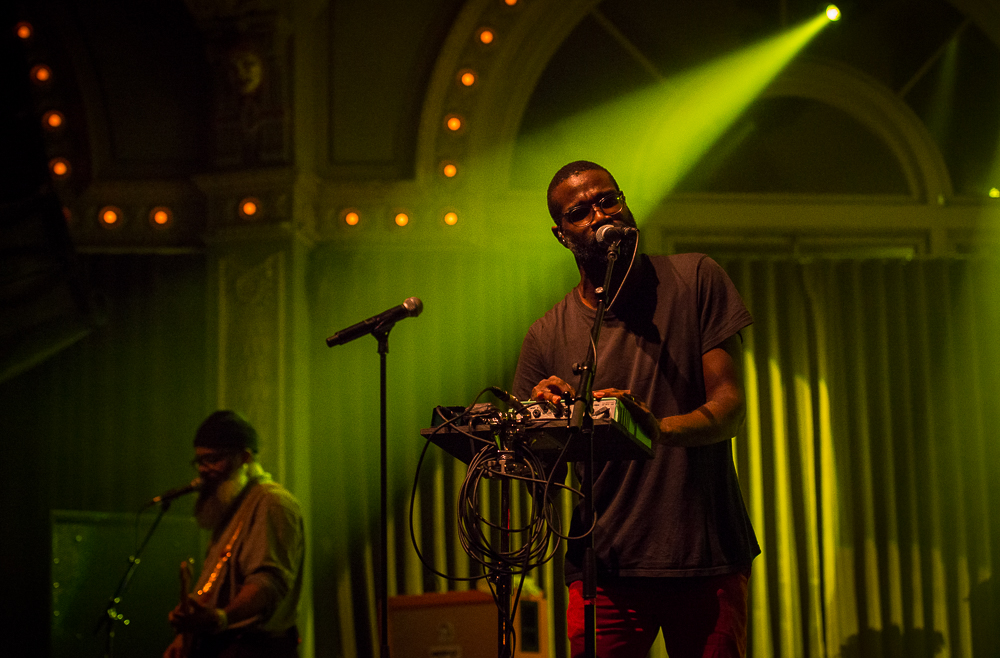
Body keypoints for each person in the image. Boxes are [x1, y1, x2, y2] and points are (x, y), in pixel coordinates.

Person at [512, 161, 759, 658]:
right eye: (579, 212)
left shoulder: (695, 279)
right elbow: (531, 465)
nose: (600, 215)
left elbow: (730, 408)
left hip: (705, 555)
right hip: (606, 566)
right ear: (562, 235)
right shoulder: (547, 333)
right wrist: (548, 418)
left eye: (608, 199)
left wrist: (656, 429)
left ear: (624, 202)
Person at [164, 411, 305, 658]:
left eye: (213, 460)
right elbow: (214, 584)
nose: (203, 471)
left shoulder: (272, 503)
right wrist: (185, 633)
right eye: (200, 461)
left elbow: (268, 582)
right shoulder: (231, 506)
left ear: (245, 457)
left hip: (255, 649)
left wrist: (222, 617)